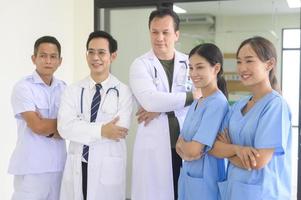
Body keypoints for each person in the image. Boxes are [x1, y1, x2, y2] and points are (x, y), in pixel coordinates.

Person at [130, 8, 201, 200]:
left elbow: (204, 94)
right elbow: (149, 100)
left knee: (185, 193)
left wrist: (159, 108)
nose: (159, 37)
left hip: (186, 142)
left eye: (165, 32)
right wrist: (190, 96)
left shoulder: (190, 62)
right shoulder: (140, 64)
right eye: (154, 32)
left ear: (176, 35)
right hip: (154, 145)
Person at [210, 36, 292, 200]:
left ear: (269, 64)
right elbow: (213, 147)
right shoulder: (238, 106)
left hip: (264, 194)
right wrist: (238, 150)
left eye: (249, 61)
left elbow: (257, 162)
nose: (242, 68)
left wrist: (228, 150)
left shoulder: (275, 105)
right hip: (234, 191)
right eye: (239, 62)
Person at [58, 30, 133, 200]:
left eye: (101, 53)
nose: (95, 57)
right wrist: (101, 130)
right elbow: (64, 128)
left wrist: (81, 128)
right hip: (78, 164)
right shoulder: (73, 90)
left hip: (106, 169)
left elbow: (119, 130)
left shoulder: (123, 92)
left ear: (113, 56)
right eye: (91, 52)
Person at [9, 36, 66, 200]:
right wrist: (60, 126)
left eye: (53, 56)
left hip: (59, 167)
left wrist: (49, 126)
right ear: (34, 58)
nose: (48, 60)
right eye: (43, 55)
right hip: (31, 168)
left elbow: (72, 128)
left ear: (60, 61)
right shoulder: (23, 88)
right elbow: (37, 126)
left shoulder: (64, 89)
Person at [176, 43, 229, 200]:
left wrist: (188, 150)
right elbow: (179, 143)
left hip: (207, 182)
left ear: (216, 68)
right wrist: (188, 150)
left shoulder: (217, 103)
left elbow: (191, 150)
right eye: (191, 68)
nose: (193, 73)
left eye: (199, 67)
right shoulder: (197, 102)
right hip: (189, 177)